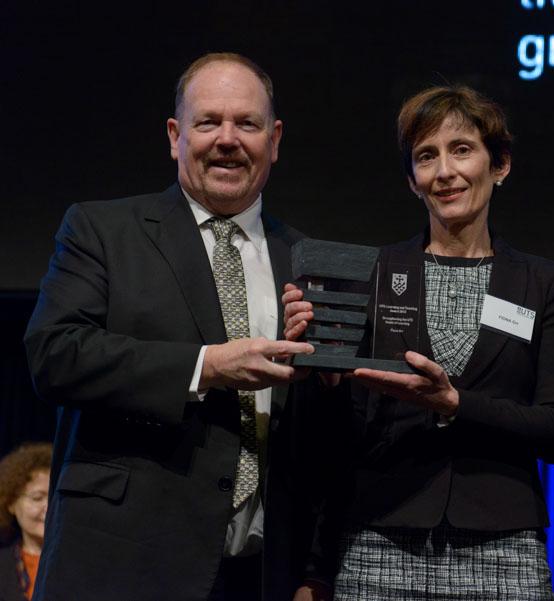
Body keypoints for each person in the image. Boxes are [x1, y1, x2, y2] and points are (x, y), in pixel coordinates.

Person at [23, 53, 330, 601]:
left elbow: (320, 443)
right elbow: (55, 355)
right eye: (208, 121)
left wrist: (312, 570)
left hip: (260, 576)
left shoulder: (305, 258)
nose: (228, 139)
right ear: (175, 134)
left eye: (248, 124)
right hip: (123, 566)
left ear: (275, 140)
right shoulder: (102, 229)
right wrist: (206, 366)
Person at [282, 85, 554, 600]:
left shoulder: (545, 284)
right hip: (378, 539)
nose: (445, 171)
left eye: (461, 149)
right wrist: (323, 377)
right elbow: (336, 444)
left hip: (503, 547)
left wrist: (455, 404)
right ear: (412, 181)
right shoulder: (371, 275)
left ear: (500, 164)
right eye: (426, 156)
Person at [0, 443, 52, 601]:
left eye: (55, 497)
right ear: (11, 503)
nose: (49, 507)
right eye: (37, 498)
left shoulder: (80, 561)